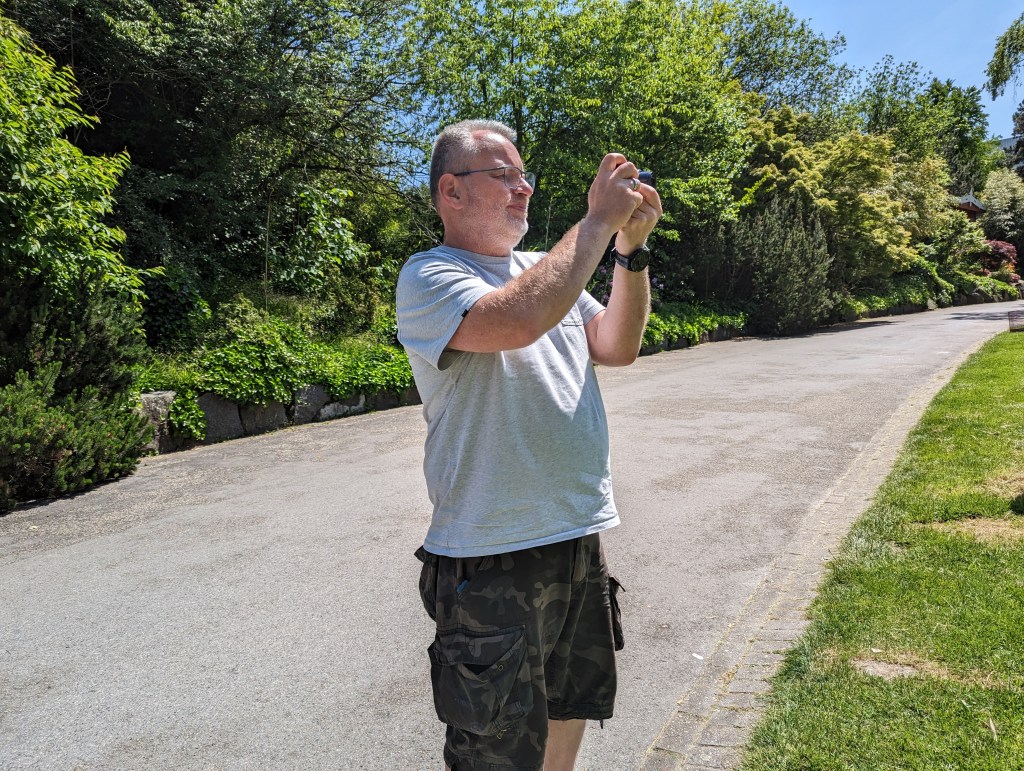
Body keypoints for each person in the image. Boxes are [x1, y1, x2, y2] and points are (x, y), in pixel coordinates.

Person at [396, 119, 661, 771]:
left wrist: (630, 250)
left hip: (576, 533)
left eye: (525, 177)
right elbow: (514, 321)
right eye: (505, 175)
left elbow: (617, 345)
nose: (524, 188)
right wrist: (597, 222)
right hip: (491, 553)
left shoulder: (547, 272)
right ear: (451, 192)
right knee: (496, 747)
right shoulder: (430, 274)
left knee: (570, 711)